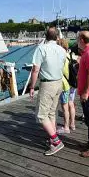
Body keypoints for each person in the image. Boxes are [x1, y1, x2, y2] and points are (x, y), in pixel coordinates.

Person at [29, 27, 66, 156]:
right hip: (58, 82)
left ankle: (56, 141)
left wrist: (32, 87)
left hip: (48, 84)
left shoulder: (41, 49)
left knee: (41, 115)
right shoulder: (62, 50)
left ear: (46, 36)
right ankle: (52, 137)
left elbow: (35, 70)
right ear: (57, 37)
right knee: (51, 112)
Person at [56, 39, 76, 134]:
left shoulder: (61, 57)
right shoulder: (70, 55)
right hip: (72, 83)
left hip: (65, 85)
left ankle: (66, 127)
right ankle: (72, 124)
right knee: (71, 103)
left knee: (64, 106)